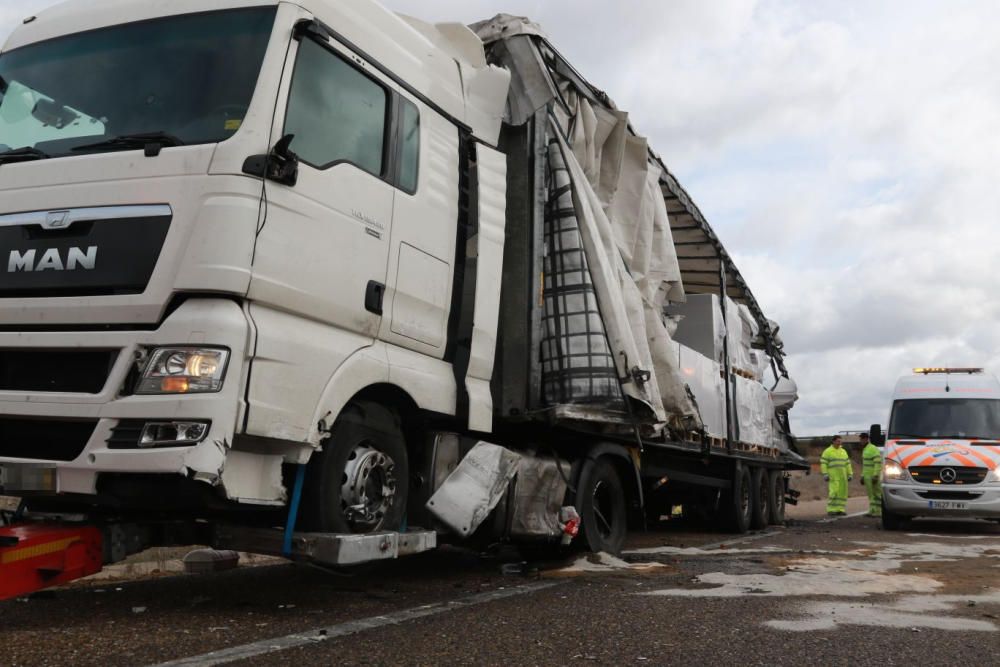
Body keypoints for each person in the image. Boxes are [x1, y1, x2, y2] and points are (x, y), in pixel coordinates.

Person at [820, 435, 853, 516]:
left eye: (840, 441)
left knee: (842, 493)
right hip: (833, 476)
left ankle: (840, 509)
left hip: (843, 477)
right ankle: (831, 509)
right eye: (838, 441)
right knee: (834, 492)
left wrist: (850, 474)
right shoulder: (828, 451)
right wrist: (825, 474)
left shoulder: (843, 451)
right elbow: (823, 463)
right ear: (833, 441)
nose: (840, 443)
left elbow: (848, 464)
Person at [859, 432, 883, 517]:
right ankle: (872, 510)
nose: (860, 441)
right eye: (860, 439)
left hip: (872, 476)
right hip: (867, 476)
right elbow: (865, 465)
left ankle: (879, 512)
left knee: (877, 494)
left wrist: (876, 475)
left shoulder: (873, 448)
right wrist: (862, 476)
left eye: (861, 439)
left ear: (866, 439)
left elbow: (877, 463)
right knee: (871, 494)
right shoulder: (865, 449)